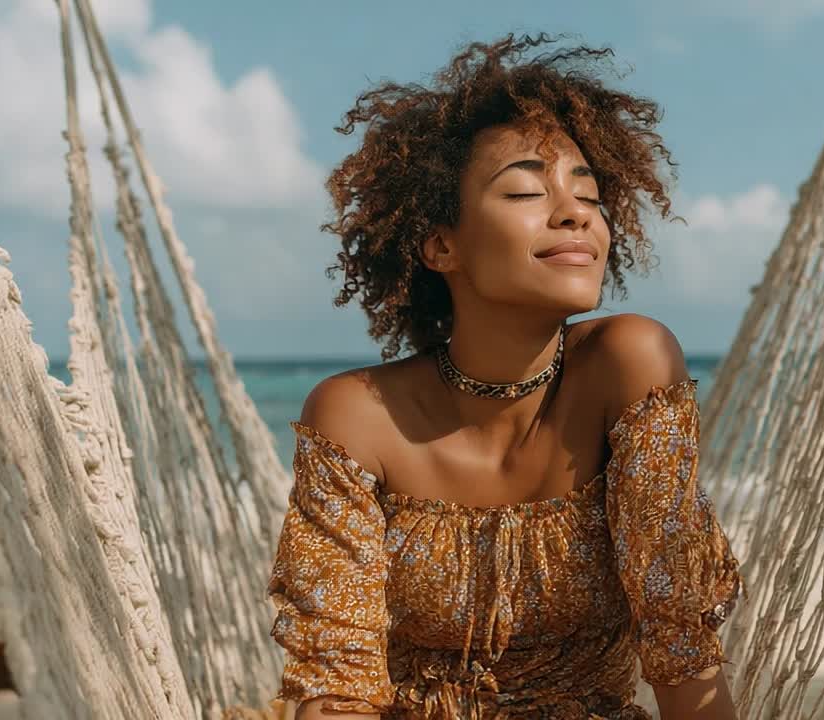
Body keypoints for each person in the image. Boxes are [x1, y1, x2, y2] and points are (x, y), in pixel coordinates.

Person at [267, 33, 744, 720]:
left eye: (589, 193)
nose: (575, 211)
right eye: (524, 189)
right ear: (441, 245)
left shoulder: (630, 362)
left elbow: (681, 653)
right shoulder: (356, 416)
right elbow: (339, 687)